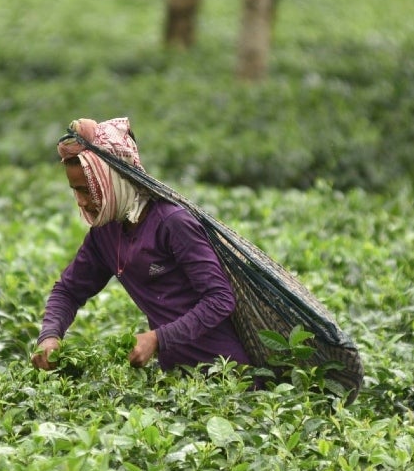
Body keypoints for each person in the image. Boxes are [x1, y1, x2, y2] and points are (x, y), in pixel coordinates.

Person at [31, 117, 251, 373]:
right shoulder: (105, 233)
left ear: (111, 180)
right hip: (175, 380)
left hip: (228, 375)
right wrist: (50, 336)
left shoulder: (172, 222)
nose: (81, 201)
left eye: (86, 190)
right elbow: (68, 290)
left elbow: (220, 299)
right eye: (75, 191)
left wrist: (157, 339)